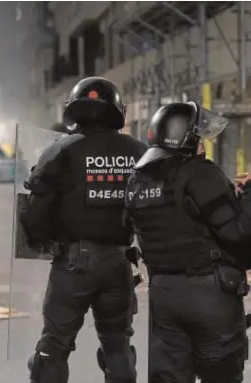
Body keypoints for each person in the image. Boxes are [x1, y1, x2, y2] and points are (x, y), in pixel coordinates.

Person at [20, 76, 146, 383]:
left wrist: (41, 240)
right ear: (118, 111)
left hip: (74, 264)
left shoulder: (60, 151)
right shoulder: (139, 153)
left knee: (54, 346)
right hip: (119, 263)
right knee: (117, 345)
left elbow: (35, 213)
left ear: (73, 110)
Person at [124, 101, 251, 383]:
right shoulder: (201, 173)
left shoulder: (137, 180)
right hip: (211, 295)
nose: (203, 145)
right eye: (198, 138)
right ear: (185, 138)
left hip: (164, 296)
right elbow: (241, 236)